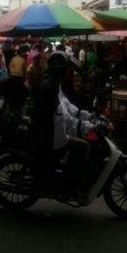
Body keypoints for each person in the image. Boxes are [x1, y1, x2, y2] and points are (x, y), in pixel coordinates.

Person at [32, 51, 91, 198]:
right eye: (68, 70)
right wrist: (84, 126)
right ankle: (71, 184)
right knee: (83, 146)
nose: (69, 73)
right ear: (62, 70)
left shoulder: (55, 83)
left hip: (54, 129)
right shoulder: (50, 87)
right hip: (50, 134)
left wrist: (86, 116)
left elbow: (67, 106)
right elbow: (61, 117)